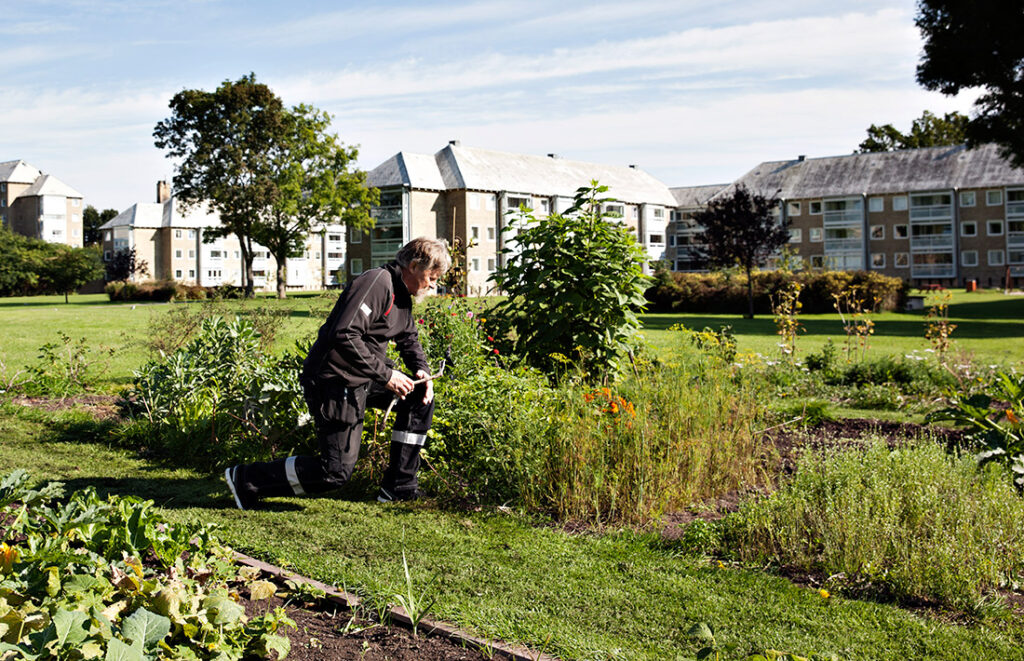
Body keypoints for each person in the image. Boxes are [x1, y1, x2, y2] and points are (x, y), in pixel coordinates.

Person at [225, 237, 451, 509]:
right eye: (431, 277)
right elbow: (344, 333)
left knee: (419, 398)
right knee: (334, 474)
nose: (432, 284)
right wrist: (388, 376)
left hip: (363, 377)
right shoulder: (377, 283)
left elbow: (409, 337)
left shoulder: (402, 295)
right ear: (414, 266)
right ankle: (247, 478)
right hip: (333, 379)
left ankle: (399, 487)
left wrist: (422, 373)